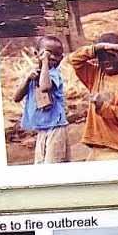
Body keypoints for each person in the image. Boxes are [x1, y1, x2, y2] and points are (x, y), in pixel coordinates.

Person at [67, 33, 118, 161]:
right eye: (101, 56)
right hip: (98, 146)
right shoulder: (95, 74)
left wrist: (102, 106)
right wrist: (95, 49)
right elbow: (74, 60)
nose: (106, 60)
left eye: (111, 55)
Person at [11, 36, 70, 164]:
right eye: (47, 53)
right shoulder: (33, 75)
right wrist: (27, 79)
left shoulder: (54, 73)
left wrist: (44, 62)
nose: (52, 57)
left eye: (57, 55)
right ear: (36, 54)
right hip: (42, 128)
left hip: (56, 127)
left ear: (62, 58)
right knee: (40, 164)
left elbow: (45, 87)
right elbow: (16, 98)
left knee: (53, 165)